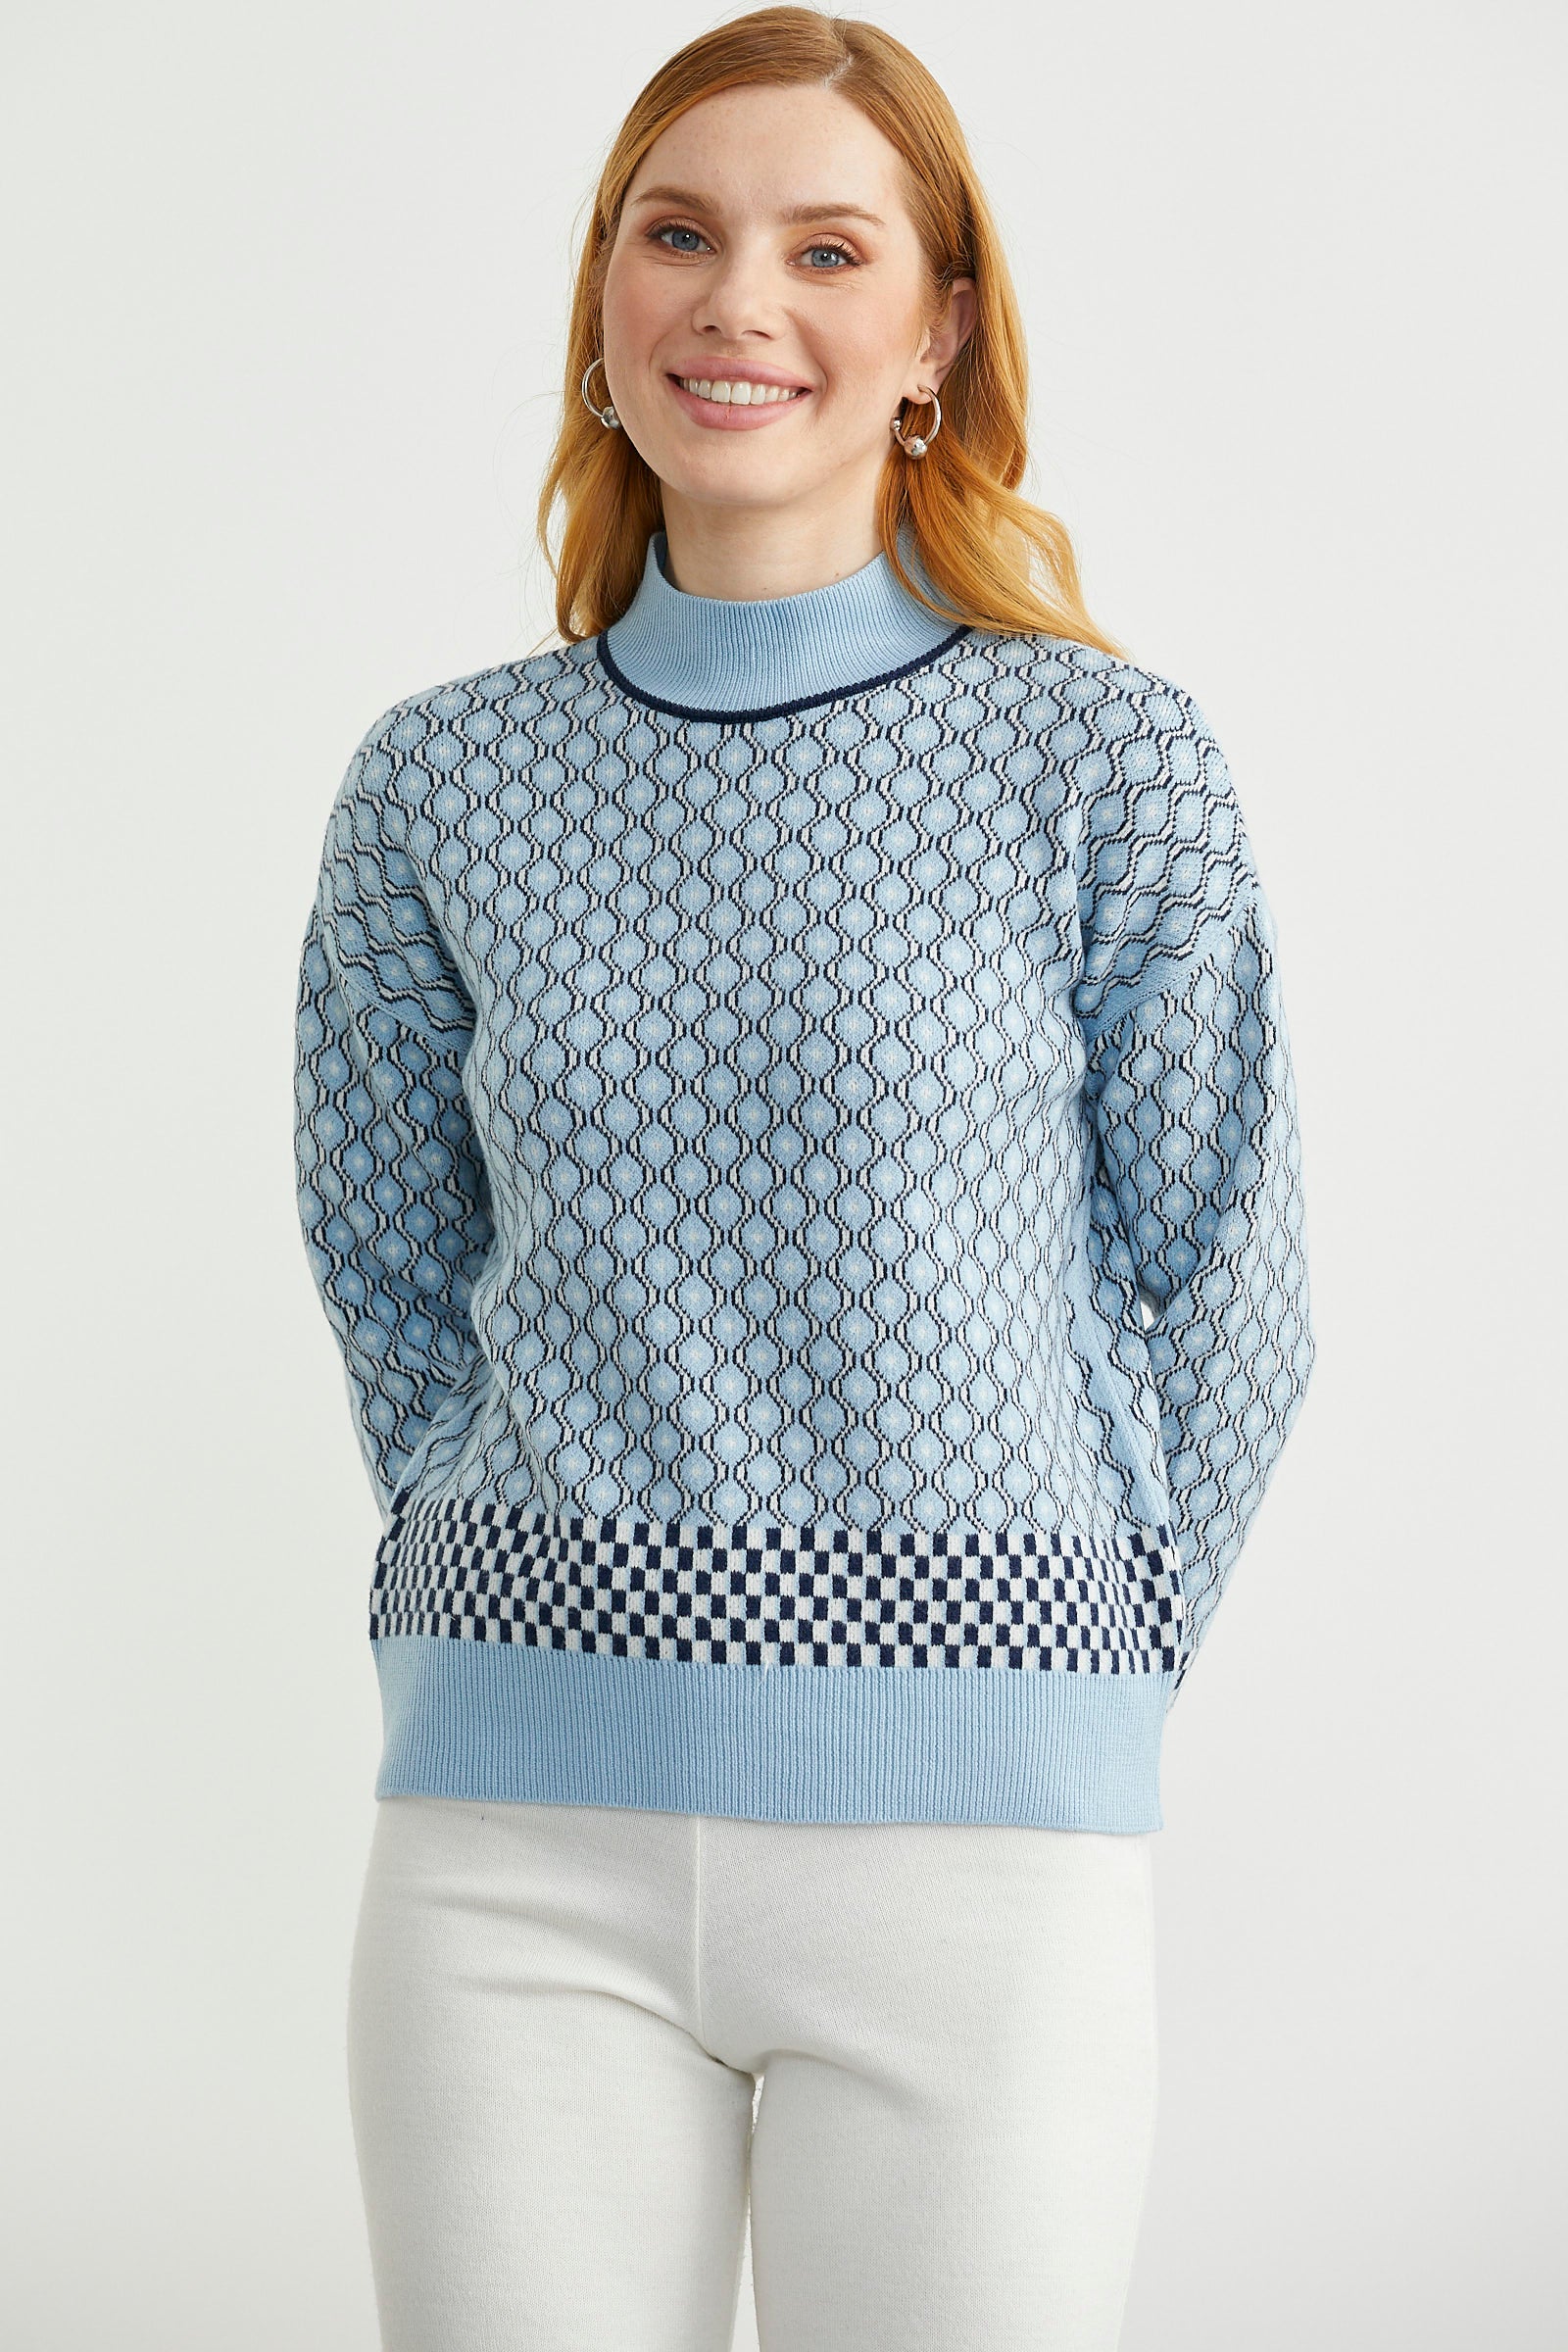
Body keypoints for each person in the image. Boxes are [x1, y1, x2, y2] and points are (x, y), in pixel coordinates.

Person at [291, 10, 1317, 2347]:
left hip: (979, 1861)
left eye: (824, 249)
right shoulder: (438, 785)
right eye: (677, 234)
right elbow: (388, 1261)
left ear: (936, 331)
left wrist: (1054, 1669)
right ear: (601, 295)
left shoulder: (1102, 760)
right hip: (509, 1854)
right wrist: (508, 1571)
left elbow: (1223, 1280)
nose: (735, 301)